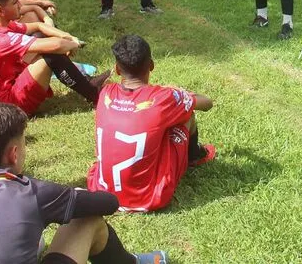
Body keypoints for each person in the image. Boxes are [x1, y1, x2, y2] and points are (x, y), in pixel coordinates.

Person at [0, 101, 167, 264]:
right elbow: (109, 203)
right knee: (87, 220)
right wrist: (77, 195)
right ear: (14, 154)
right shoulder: (29, 193)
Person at [87, 35, 215, 212]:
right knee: (185, 114)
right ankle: (195, 156)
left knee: (160, 122)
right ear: (151, 65)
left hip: (102, 192)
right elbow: (207, 103)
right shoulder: (164, 98)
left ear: (117, 69)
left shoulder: (106, 93)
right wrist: (180, 93)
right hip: (149, 197)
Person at [0, 0, 109, 114]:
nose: (20, 6)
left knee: (40, 37)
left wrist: (66, 35)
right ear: (0, 10)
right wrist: (74, 43)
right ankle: (94, 93)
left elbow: (36, 27)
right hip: (4, 109)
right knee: (51, 53)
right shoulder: (1, 39)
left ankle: (87, 82)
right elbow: (57, 45)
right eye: (15, 2)